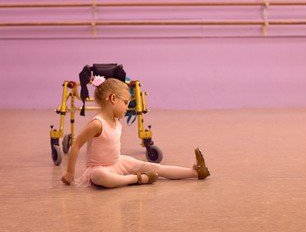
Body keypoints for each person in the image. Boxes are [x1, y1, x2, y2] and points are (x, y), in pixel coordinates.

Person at [61, 76, 210, 188]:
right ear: (113, 98)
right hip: (99, 168)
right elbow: (76, 144)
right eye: (125, 103)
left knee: (155, 167)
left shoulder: (115, 120)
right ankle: (138, 179)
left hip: (117, 162)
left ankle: (195, 172)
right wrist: (69, 172)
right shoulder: (97, 124)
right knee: (99, 176)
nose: (127, 107)